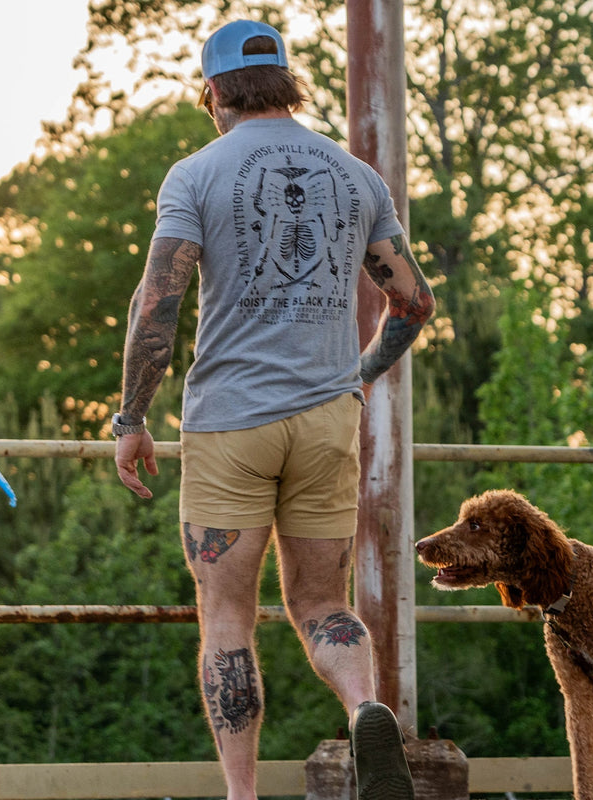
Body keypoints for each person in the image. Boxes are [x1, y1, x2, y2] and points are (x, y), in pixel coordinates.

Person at [114, 18, 435, 800]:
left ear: (213, 91)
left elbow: (157, 304)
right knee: (323, 602)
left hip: (231, 420)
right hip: (328, 420)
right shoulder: (357, 176)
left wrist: (131, 419)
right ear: (288, 83)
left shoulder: (196, 173)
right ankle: (366, 707)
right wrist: (357, 374)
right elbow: (414, 301)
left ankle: (243, 795)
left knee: (228, 615)